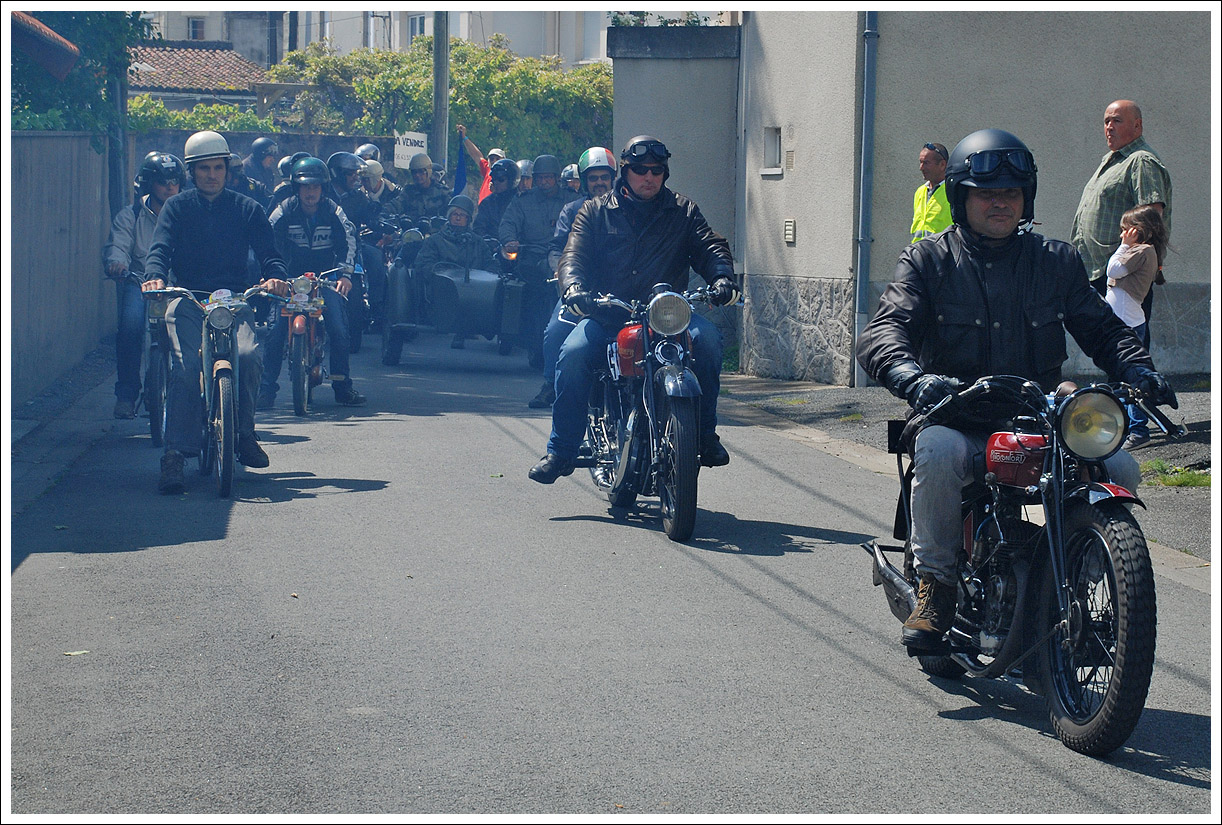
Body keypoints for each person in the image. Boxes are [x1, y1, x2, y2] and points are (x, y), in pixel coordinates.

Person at [856, 128, 1176, 651]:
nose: (1000, 202)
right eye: (986, 193)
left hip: (1040, 413)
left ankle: (1092, 576)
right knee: (935, 452)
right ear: (962, 198)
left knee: (1118, 464)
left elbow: (1101, 327)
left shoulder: (1056, 260)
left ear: (1026, 198)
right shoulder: (927, 261)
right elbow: (885, 330)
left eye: (1010, 192)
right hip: (957, 410)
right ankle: (935, 586)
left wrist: (1138, 368)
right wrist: (913, 378)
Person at [529, 135, 741, 484]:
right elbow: (573, 255)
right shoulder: (594, 210)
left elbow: (710, 246)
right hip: (609, 316)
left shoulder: (683, 211)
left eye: (657, 170)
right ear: (625, 172)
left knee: (710, 342)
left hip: (667, 318)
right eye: (640, 170)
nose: (649, 177)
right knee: (573, 354)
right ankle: (561, 451)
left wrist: (722, 277)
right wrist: (573, 287)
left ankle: (704, 435)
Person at [140, 130, 291, 494]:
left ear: (227, 169)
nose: (212, 174)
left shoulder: (248, 208)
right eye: (204, 168)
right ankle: (175, 453)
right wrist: (156, 277)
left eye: (218, 167)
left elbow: (270, 255)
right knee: (186, 366)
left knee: (248, 354)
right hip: (188, 297)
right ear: (192, 172)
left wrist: (274, 277)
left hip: (234, 299)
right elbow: (159, 249)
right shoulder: (177, 207)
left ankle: (244, 434)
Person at [259, 156, 367, 410]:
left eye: (315, 186)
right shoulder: (283, 211)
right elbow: (266, 242)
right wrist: (270, 274)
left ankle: (342, 386)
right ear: (297, 188)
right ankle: (266, 390)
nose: (310, 192)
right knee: (274, 333)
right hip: (288, 280)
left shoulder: (334, 211)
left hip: (325, 279)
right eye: (305, 186)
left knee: (339, 330)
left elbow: (349, 243)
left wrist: (344, 276)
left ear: (323, 188)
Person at [528, 146, 618, 409]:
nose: (599, 183)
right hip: (579, 288)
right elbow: (557, 246)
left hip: (619, 288)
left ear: (613, 178)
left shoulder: (627, 209)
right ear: (584, 181)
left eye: (604, 177)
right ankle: (549, 383)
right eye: (593, 178)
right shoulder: (572, 209)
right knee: (554, 332)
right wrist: (559, 270)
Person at [1071, 99, 1172, 326]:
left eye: (1117, 120)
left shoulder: (1141, 161)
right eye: (1106, 121)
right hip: (1103, 272)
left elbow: (1151, 220)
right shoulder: (1115, 160)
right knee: (1109, 347)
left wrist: (1130, 263)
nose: (1109, 127)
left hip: (1124, 277)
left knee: (1126, 347)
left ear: (1137, 126)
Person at [103, 152, 185, 419]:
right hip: (140, 282)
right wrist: (117, 264)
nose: (170, 187)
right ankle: (126, 395)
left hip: (178, 285)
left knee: (197, 330)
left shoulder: (188, 212)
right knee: (129, 328)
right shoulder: (132, 214)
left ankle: (198, 392)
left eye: (175, 181)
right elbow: (118, 244)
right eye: (163, 182)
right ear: (149, 184)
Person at [498, 154, 579, 368]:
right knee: (534, 297)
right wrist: (509, 240)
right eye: (540, 178)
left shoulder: (570, 200)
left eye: (548, 178)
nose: (544, 182)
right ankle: (535, 344)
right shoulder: (522, 201)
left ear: (557, 178)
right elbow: (507, 223)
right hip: (532, 260)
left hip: (565, 257)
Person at [1105, 204, 1169, 450]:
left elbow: (1113, 269)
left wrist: (1123, 247)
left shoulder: (1140, 251)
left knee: (1133, 384)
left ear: (1143, 231)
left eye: (1127, 230)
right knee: (1121, 382)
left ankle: (1139, 431)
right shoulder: (1142, 250)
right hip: (1125, 324)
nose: (1122, 235)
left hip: (1126, 328)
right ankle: (1122, 428)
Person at [412, 195, 500, 349]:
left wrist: (488, 278)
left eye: (462, 215)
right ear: (449, 216)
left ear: (468, 219)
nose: (458, 218)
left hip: (473, 293)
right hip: (442, 292)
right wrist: (437, 273)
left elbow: (491, 265)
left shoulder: (478, 242)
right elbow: (424, 263)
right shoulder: (434, 241)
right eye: (455, 214)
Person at [327, 151, 387, 330]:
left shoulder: (358, 196)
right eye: (350, 173)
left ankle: (376, 307)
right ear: (338, 174)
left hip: (353, 244)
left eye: (356, 173)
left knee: (375, 257)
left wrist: (379, 221)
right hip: (325, 244)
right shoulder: (323, 193)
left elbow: (370, 215)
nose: (355, 177)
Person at [910, 142, 950, 242]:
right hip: (919, 253)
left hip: (943, 255)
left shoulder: (952, 191)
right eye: (920, 162)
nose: (921, 168)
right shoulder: (920, 192)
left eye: (926, 163)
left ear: (942, 165)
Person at [471, 158, 520, 239]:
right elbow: (478, 229)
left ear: (512, 180)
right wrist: (490, 242)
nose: (496, 183)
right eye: (494, 179)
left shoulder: (523, 203)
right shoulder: (487, 203)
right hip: (493, 248)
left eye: (501, 180)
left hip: (520, 246)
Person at [399, 152, 451, 224]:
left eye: (421, 171)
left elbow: (452, 212)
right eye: (414, 172)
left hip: (435, 233)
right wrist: (383, 212)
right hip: (412, 232)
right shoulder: (408, 191)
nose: (417, 175)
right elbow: (395, 205)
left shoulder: (443, 192)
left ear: (428, 171)